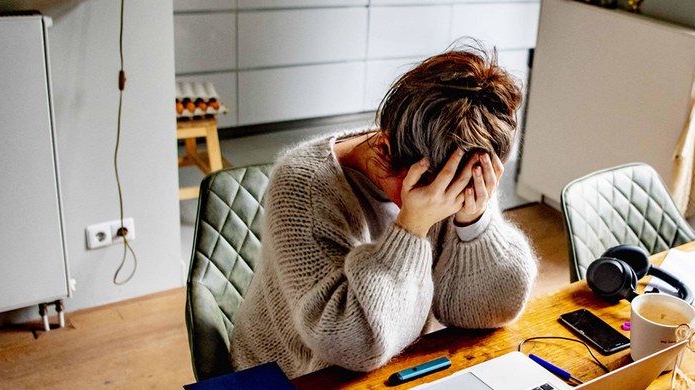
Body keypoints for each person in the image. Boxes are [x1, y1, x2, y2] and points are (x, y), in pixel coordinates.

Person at [229, 43, 538, 379]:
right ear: (384, 148)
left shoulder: (455, 160)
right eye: (429, 192)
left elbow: (487, 312)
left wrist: (474, 222)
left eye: (455, 192)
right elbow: (353, 344)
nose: (444, 202)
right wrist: (411, 228)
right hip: (290, 371)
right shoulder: (303, 185)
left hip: (393, 361)